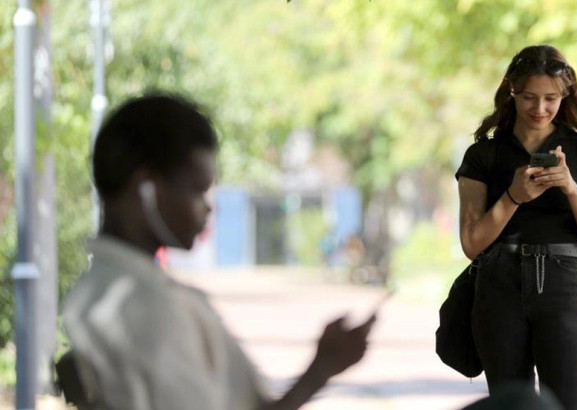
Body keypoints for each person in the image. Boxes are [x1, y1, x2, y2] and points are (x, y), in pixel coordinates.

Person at [61, 92, 376, 410]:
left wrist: (320, 369)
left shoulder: (98, 292)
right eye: (197, 191)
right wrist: (319, 372)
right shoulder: (146, 306)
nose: (209, 208)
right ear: (146, 188)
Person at [455, 45, 577, 410]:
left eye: (550, 98)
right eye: (529, 97)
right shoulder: (483, 155)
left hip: (562, 284)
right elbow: (471, 243)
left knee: (569, 403)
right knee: (512, 405)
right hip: (499, 285)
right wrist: (513, 196)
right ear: (511, 90)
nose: (539, 108)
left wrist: (570, 186)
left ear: (565, 95)